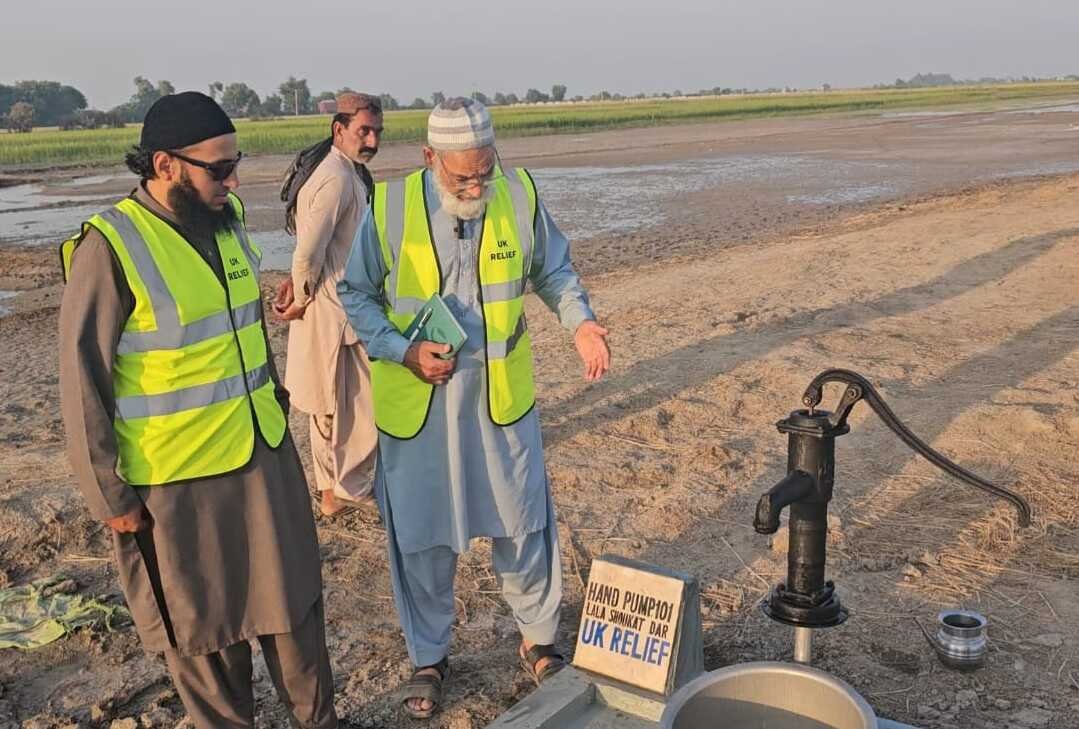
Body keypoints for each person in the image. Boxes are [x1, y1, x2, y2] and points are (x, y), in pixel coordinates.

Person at [58, 92, 338, 729]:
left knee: (296, 611)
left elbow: (240, 331)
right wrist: (110, 496)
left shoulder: (226, 216)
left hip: (261, 457)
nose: (234, 180)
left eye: (235, 164)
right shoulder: (110, 247)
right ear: (165, 165)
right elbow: (81, 384)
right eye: (219, 168)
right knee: (204, 633)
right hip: (174, 483)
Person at [338, 97, 611, 719]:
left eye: (484, 171)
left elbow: (555, 271)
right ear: (430, 158)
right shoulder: (391, 205)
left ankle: (540, 642)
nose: (476, 185)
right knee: (422, 534)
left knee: (523, 521)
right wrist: (402, 350)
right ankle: (429, 657)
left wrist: (582, 325)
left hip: (499, 401)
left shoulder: (517, 194)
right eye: (463, 176)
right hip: (420, 403)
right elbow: (355, 293)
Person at [274, 92, 384, 517]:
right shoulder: (336, 177)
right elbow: (307, 253)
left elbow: (312, 250)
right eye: (363, 131)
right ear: (339, 130)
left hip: (334, 306)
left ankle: (331, 494)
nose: (371, 139)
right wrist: (300, 299)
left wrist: (299, 288)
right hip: (335, 313)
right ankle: (346, 490)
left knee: (331, 406)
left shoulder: (344, 170)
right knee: (350, 407)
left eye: (376, 132)